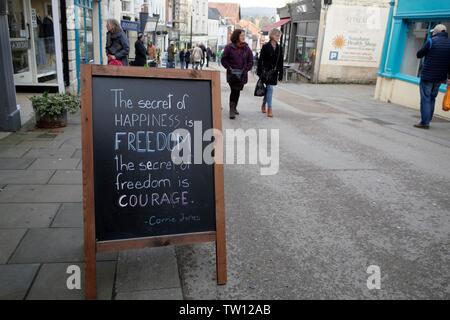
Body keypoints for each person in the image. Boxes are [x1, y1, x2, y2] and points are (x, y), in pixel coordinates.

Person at [415, 24, 450, 129]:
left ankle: (424, 122)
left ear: (436, 32)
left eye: (433, 32)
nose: (433, 34)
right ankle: (428, 119)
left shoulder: (431, 41)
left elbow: (419, 54)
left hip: (428, 76)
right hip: (440, 77)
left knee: (425, 98)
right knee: (432, 98)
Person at [221, 29, 253, 119]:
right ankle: (232, 109)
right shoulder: (229, 47)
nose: (243, 37)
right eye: (241, 35)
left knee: (237, 91)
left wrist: (246, 69)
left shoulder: (246, 48)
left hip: (242, 74)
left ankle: (234, 107)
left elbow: (250, 60)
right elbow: (223, 59)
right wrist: (229, 68)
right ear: (236, 36)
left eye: (244, 35)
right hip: (232, 74)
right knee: (234, 90)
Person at [257, 28, 284, 118]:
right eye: (277, 35)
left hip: (274, 72)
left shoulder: (280, 48)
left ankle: (266, 106)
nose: (278, 37)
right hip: (265, 72)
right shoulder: (265, 46)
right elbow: (260, 60)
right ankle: (267, 106)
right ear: (272, 36)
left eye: (279, 36)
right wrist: (259, 71)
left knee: (269, 89)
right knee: (269, 89)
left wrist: (281, 73)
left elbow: (280, 62)